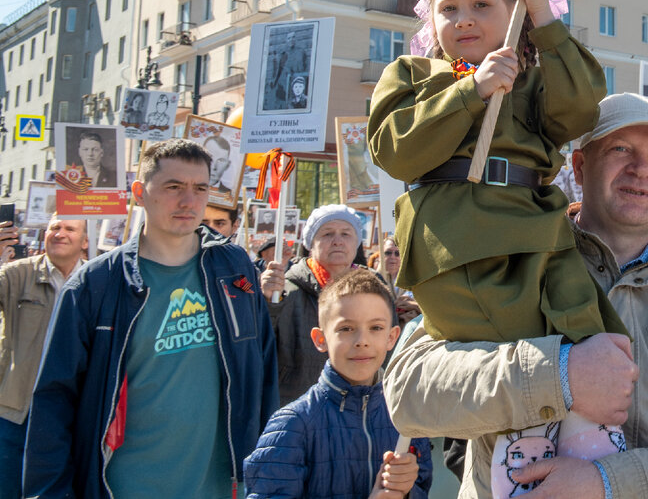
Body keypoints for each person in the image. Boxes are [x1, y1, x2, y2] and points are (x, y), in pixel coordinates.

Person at [384, 92, 648, 497]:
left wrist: (610, 484)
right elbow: (408, 392)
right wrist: (556, 375)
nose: (641, 169)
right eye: (620, 148)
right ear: (579, 166)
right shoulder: (504, 260)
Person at [368, 0, 627, 491]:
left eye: (482, 4)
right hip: (460, 241)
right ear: (428, 19)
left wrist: (546, 22)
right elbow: (393, 147)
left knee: (598, 331)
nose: (463, 18)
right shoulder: (413, 75)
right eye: (448, 7)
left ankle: (597, 449)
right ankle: (520, 463)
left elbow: (580, 112)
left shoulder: (533, 77)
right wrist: (471, 91)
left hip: (538, 230)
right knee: (524, 345)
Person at [24, 138, 284, 499]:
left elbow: (263, 374)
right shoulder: (95, 284)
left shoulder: (235, 268)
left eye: (200, 188)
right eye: (173, 187)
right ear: (139, 193)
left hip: (223, 487)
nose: (188, 201)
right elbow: (54, 402)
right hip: (120, 487)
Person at [244, 269, 432, 499]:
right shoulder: (292, 425)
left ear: (392, 337)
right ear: (320, 339)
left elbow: (423, 485)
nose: (362, 341)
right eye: (346, 329)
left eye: (375, 328)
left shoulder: (406, 418)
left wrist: (407, 491)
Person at [0, 216, 87, 499]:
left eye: (69, 229)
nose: (60, 233)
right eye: (54, 228)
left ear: (85, 241)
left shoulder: (97, 283)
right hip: (14, 416)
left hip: (67, 418)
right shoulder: (17, 275)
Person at [272, 204, 389, 404]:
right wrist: (267, 303)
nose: (337, 241)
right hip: (301, 407)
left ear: (356, 242)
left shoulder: (375, 287)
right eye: (327, 234)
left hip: (361, 407)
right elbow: (262, 347)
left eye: (346, 234)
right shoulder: (285, 290)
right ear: (310, 243)